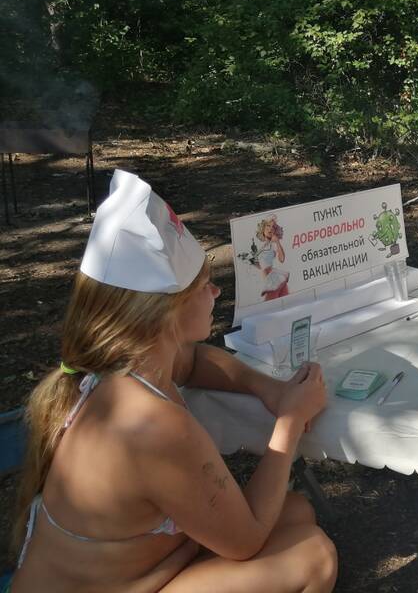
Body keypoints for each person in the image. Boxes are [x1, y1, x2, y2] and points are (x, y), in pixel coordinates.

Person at [8, 170, 337, 593]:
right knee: (313, 555)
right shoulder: (155, 427)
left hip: (136, 571)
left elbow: (194, 361)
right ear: (166, 314)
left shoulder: (121, 365)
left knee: (294, 512)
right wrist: (289, 419)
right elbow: (247, 540)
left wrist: (268, 389)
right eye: (204, 285)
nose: (216, 293)